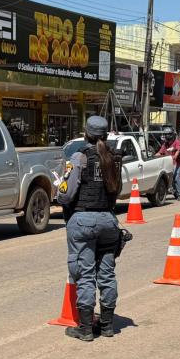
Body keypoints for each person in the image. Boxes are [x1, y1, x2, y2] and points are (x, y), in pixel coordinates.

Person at [56, 115, 122, 341]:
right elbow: (116, 191)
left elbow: (66, 194)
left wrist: (59, 192)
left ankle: (85, 328)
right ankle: (107, 326)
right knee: (107, 274)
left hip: (83, 221)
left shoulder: (79, 157)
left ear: (86, 133)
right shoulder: (113, 158)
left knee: (85, 275)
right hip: (108, 221)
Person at [156, 127, 180, 200]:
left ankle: (179, 194)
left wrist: (175, 156)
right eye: (165, 134)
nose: (166, 136)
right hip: (168, 164)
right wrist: (152, 157)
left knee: (176, 177)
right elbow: (160, 152)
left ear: (171, 135)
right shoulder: (165, 144)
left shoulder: (176, 142)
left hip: (176, 164)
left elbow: (178, 150)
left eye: (167, 134)